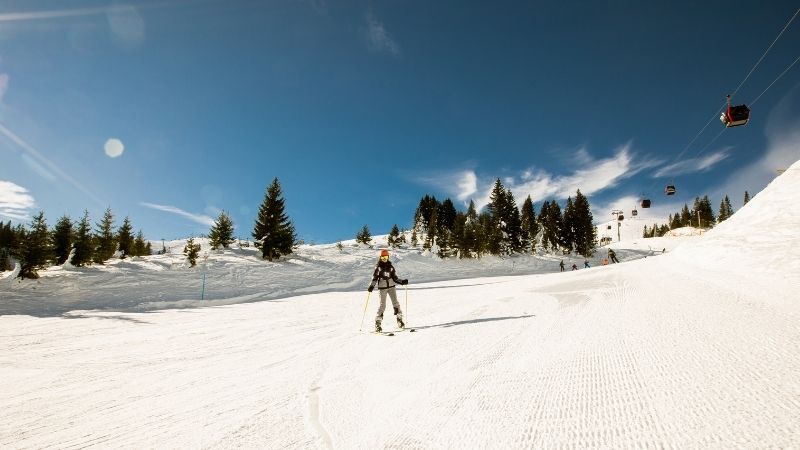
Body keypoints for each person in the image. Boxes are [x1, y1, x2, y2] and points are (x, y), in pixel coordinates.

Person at [367, 249, 408, 332]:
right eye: (383, 257)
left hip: (392, 287)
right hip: (382, 288)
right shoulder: (378, 268)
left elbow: (395, 278)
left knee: (396, 303)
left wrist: (402, 282)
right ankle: (378, 323)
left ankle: (399, 320)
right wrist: (371, 286)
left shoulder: (391, 267)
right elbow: (374, 278)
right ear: (380, 258)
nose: (384, 259)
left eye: (386, 257)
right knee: (382, 305)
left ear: (388, 257)